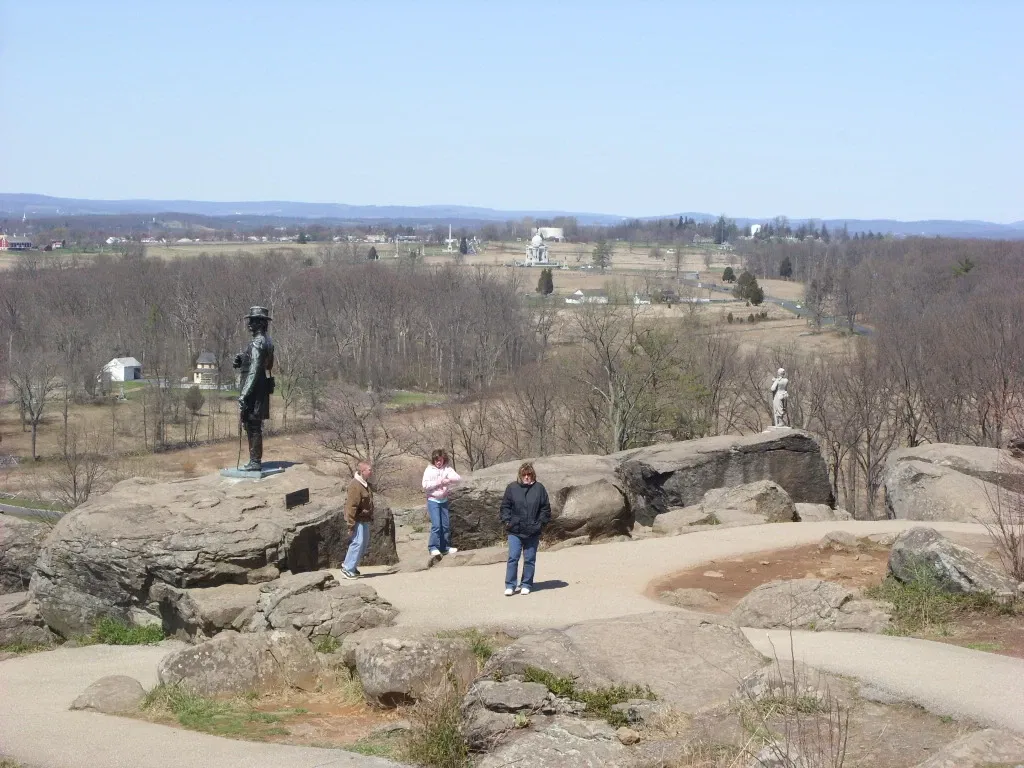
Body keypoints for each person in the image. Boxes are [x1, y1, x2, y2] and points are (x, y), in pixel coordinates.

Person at [499, 462, 551, 596]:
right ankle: (510, 585)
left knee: (529, 559)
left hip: (533, 530)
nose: (526, 477)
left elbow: (545, 508)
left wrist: (540, 523)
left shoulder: (539, 488)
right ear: (520, 475)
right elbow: (505, 506)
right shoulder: (512, 488)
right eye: (524, 474)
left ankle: (526, 584)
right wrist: (507, 521)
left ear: (533, 475)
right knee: (513, 557)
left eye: (529, 474)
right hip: (515, 529)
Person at [234, 306, 275, 471]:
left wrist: (244, 394)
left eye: (253, 321)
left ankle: (255, 461)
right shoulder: (267, 341)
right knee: (253, 425)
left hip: (254, 392)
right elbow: (265, 364)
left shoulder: (257, 343)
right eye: (250, 321)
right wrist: (243, 358)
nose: (249, 324)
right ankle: (254, 459)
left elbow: (255, 369)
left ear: (261, 323)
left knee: (253, 426)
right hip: (260, 389)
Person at [421, 448, 462, 560]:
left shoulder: (447, 469)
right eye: (436, 460)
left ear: (444, 459)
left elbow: (458, 478)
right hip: (433, 500)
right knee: (436, 525)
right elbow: (425, 485)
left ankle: (445, 547)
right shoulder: (429, 470)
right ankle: (433, 547)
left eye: (440, 460)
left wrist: (448, 480)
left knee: (445, 525)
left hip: (444, 500)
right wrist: (438, 482)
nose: (438, 462)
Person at [341, 461, 374, 579]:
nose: (371, 472)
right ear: (362, 471)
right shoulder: (355, 485)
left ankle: (353, 566)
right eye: (369, 470)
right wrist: (351, 525)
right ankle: (347, 568)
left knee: (363, 543)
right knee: (357, 542)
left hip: (364, 519)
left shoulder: (365, 484)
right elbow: (351, 506)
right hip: (357, 519)